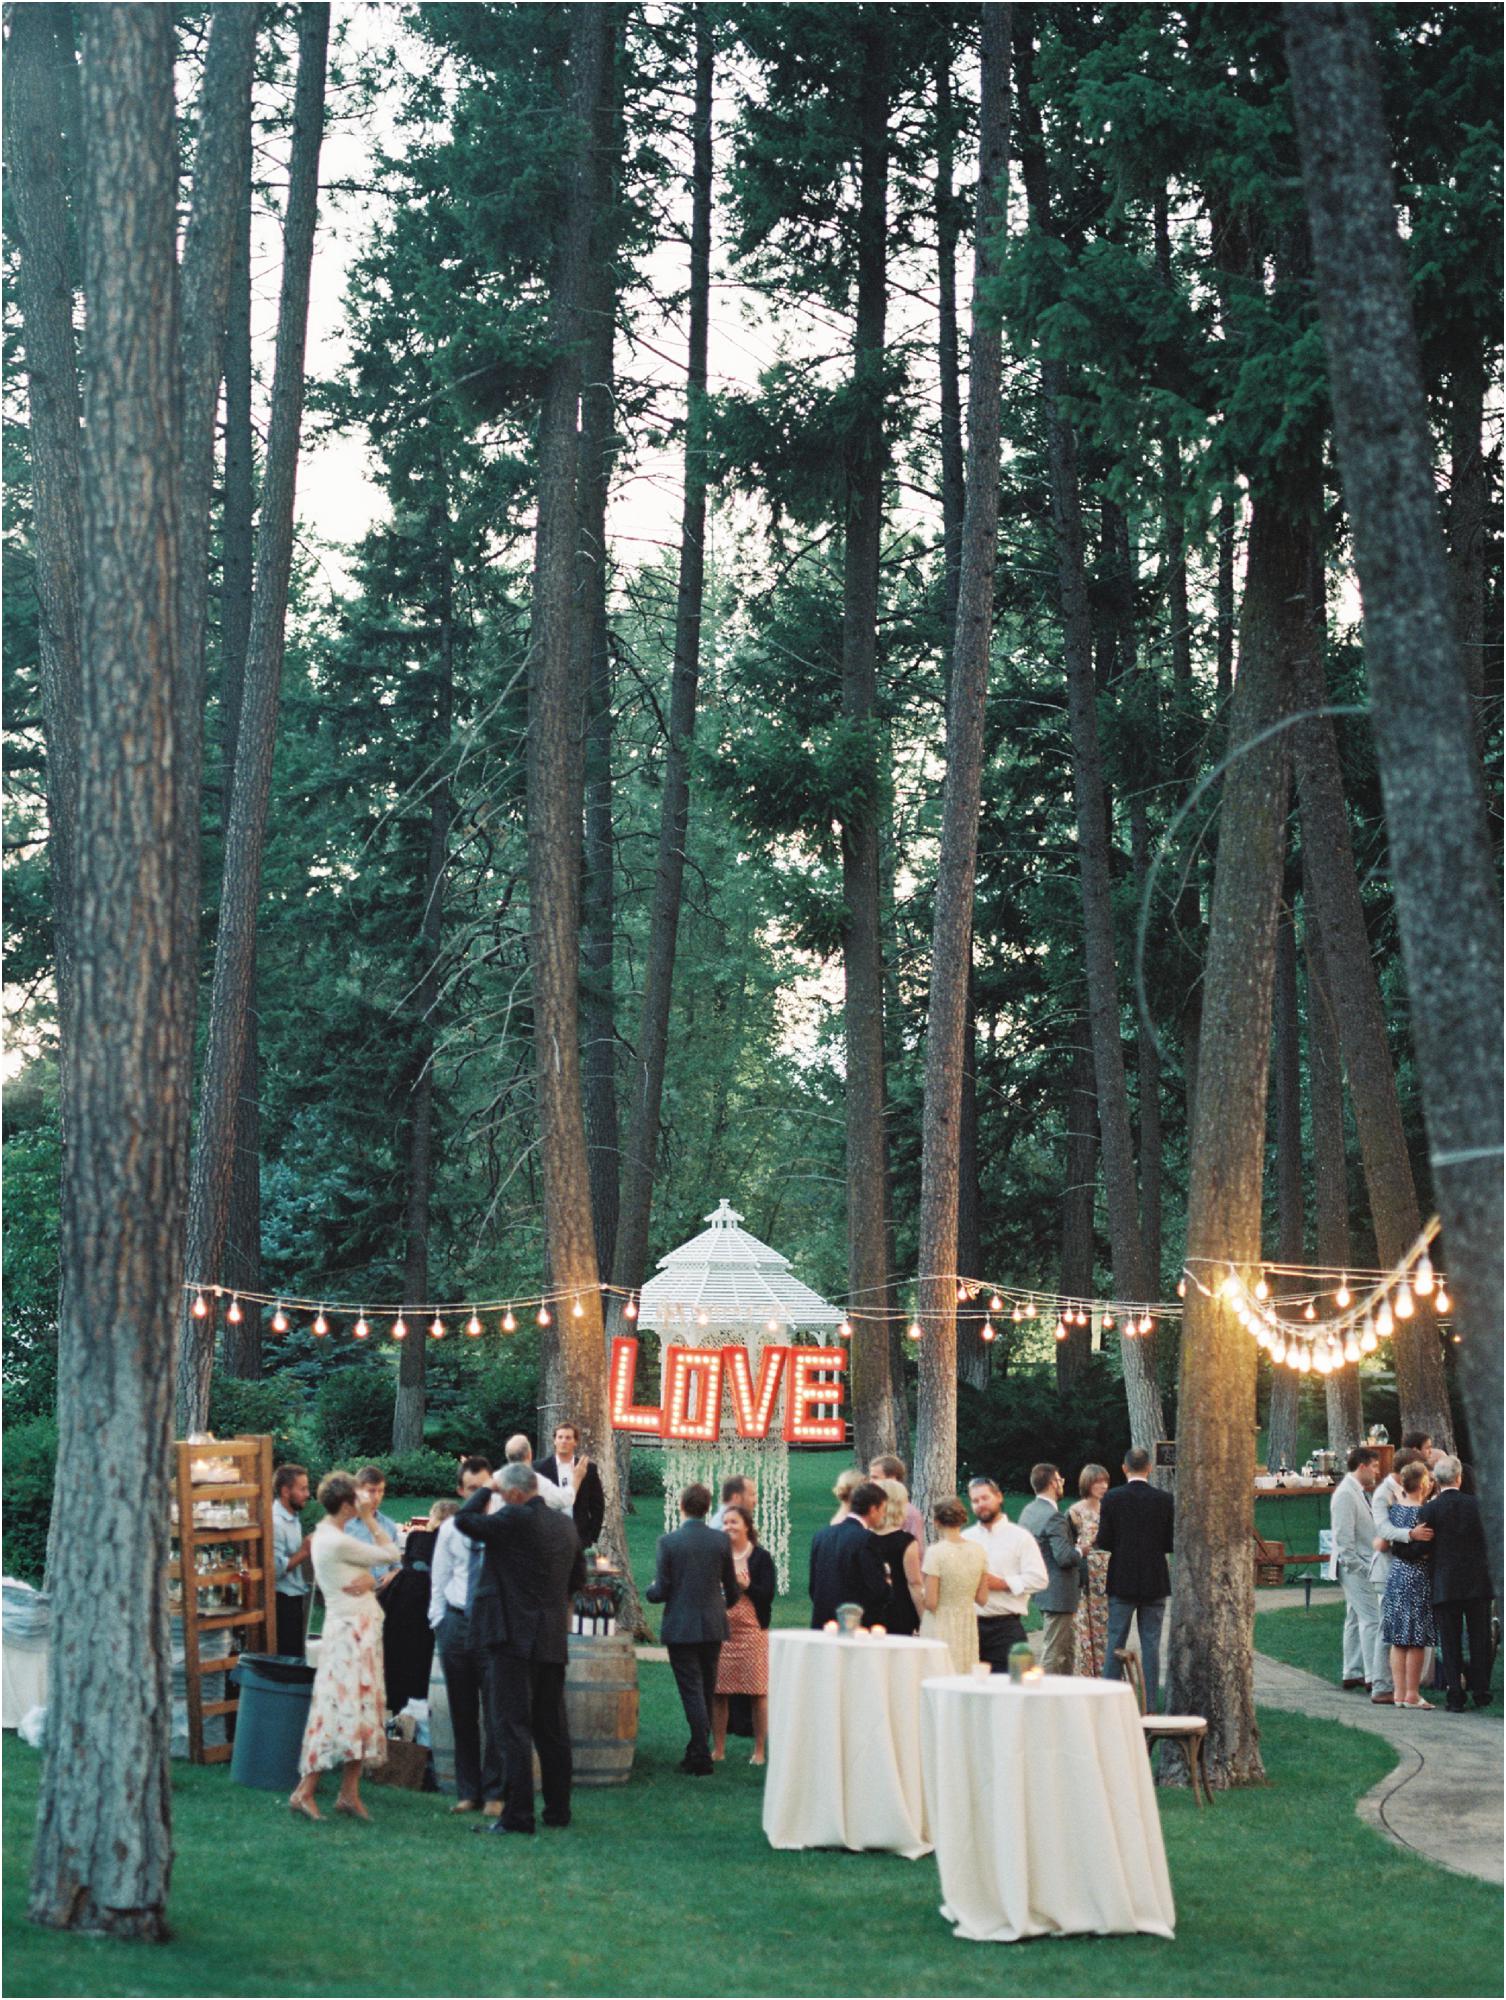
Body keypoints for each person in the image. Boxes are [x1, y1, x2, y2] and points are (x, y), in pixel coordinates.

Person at [454, 1461, 585, 1835]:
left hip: (511, 1636)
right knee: (552, 1728)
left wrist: (486, 1489)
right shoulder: (565, 1525)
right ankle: (559, 1810)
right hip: (550, 1637)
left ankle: (518, 1815)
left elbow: (463, 1520)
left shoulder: (512, 1519)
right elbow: (577, 1578)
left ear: (512, 1493)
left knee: (512, 1725)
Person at [288, 1472, 400, 1821]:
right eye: (358, 1499)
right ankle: (304, 1791)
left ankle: (349, 1793)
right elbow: (391, 1552)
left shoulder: (328, 1535)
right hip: (349, 1634)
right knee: (340, 1708)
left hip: (359, 1629)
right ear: (348, 1503)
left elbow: (375, 1567)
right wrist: (368, 1518)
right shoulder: (335, 1540)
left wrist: (368, 1578)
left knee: (363, 1708)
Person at [645, 1483, 742, 1776]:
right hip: (712, 1623)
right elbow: (732, 1588)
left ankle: (700, 1753)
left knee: (691, 1690)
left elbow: (662, 1589)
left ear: (681, 1506)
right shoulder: (720, 1542)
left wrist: (651, 1591)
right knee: (706, 1687)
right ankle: (697, 1747)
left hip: (682, 1625)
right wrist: (721, 1604)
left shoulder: (669, 1542)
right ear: (707, 1507)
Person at [427, 1456, 501, 1817]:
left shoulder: (502, 1525)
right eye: (472, 1489)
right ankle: (467, 1791)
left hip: (492, 1627)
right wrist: (440, 1623)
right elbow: (439, 1579)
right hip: (456, 1624)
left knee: (496, 1712)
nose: (480, 1495)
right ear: (461, 1491)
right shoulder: (451, 1529)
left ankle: (494, 1792)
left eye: (484, 1487)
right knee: (462, 1712)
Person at [1096, 1447, 1175, 1711]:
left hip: (1123, 1578)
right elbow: (1169, 1542)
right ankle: (1150, 1703)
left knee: (1115, 1639)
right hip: (1154, 1578)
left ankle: (1108, 1699)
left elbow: (1104, 1540)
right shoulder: (1164, 1499)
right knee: (1151, 1644)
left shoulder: (1113, 1498)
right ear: (1149, 1468)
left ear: (1124, 1468)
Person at [1416, 1455, 1494, 1712]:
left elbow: (1423, 1546)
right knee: (1479, 1638)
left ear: (1436, 1481)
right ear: (1459, 1478)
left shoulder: (1429, 1509)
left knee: (1449, 1641)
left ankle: (1455, 1694)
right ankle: (1481, 1690)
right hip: (1477, 1581)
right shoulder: (1478, 1506)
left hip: (1445, 1581)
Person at [963, 1477, 1049, 1673]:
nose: (980, 1504)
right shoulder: (966, 1538)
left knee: (1010, 1689)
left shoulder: (1020, 1537)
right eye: (975, 1501)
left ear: (999, 1497)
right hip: (970, 1628)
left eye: (985, 1498)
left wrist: (1002, 1583)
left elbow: (1039, 1578)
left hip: (1005, 1628)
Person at [712, 1505, 775, 1764]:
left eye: (734, 1522)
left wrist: (747, 1585)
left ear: (747, 1526)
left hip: (752, 1632)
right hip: (723, 1632)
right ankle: (718, 1749)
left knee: (757, 1692)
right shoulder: (718, 1556)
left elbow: (768, 1595)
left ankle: (759, 1750)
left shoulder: (760, 1557)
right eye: (725, 1522)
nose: (728, 1527)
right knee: (719, 1692)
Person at [1377, 1457, 1437, 1709]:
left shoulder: (1395, 1511)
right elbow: (1426, 1549)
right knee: (1416, 1638)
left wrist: (1401, 1547)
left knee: (1399, 1636)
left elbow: (1383, 1543)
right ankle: (1412, 1693)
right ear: (1422, 1483)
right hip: (1417, 1574)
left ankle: (1399, 1693)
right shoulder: (1423, 1514)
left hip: (1397, 1573)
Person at [1019, 1463, 1086, 1675]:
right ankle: (1043, 1696)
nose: (1062, 1483)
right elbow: (1064, 1557)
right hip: (1059, 1590)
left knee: (1066, 1649)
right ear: (1052, 1483)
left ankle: (1064, 1694)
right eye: (1060, 1479)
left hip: (1041, 1587)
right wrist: (1081, 1550)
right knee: (1054, 1651)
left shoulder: (1029, 1511)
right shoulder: (1053, 1516)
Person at [1368, 1446, 1422, 1704]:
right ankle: (1381, 1685)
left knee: (1397, 1629)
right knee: (1386, 1628)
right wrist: (1410, 1535)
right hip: (1387, 1570)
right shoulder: (1383, 1494)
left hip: (1401, 1568)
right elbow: (1383, 1529)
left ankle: (1396, 1684)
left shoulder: (1401, 1492)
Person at [1331, 1447, 1383, 1691]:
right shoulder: (1345, 1494)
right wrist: (1361, 1568)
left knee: (1354, 1618)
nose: (1377, 1471)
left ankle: (1351, 1671)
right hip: (1355, 1567)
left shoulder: (1359, 1492)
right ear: (1362, 1466)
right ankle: (1374, 1677)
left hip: (1362, 1562)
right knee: (1372, 1619)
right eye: (1374, 1466)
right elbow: (1343, 1540)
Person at [920, 1498, 990, 1673]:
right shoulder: (978, 1551)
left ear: (936, 1522)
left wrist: (920, 1591)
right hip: (966, 1621)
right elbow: (982, 1598)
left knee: (936, 1672)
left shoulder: (935, 1553)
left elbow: (931, 1602)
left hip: (939, 1622)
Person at [808, 1480, 891, 1628]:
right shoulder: (867, 1539)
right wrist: (888, 1587)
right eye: (883, 1510)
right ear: (873, 1509)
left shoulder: (822, 1535)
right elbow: (876, 1588)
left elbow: (813, 1586)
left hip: (823, 1622)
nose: (883, 1515)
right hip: (855, 1624)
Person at [1069, 1465, 1111, 1677]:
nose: (1103, 1486)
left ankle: (1107, 1671)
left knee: (1106, 1623)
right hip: (1087, 1571)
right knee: (1085, 1622)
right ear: (1087, 1483)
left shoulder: (1108, 1508)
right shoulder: (1076, 1511)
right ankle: (1086, 1670)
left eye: (1105, 1481)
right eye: (1098, 1482)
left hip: (1106, 1573)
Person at [536, 1422, 605, 1551]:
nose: (564, 1441)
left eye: (568, 1438)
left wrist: (591, 1536)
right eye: (560, 1437)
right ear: (554, 1441)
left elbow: (597, 1505)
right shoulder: (540, 1468)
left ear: (575, 1442)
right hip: (548, 1535)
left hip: (578, 1535)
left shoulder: (588, 1469)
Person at [871, 1479, 923, 1636]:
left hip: (869, 1609)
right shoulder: (905, 1542)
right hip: (898, 1610)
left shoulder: (862, 1538)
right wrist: (924, 1619)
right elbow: (914, 1584)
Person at [272, 1463, 313, 1658]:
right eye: (302, 1488)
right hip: (282, 1602)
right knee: (287, 1659)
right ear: (285, 1491)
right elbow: (274, 1569)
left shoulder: (292, 1516)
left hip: (295, 1598)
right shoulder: (276, 1523)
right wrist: (305, 1551)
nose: (307, 1494)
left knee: (297, 1654)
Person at [503, 1434, 576, 1515]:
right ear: (529, 1454)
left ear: (507, 1456)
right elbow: (564, 1500)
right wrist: (577, 1478)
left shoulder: (496, 1480)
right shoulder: (537, 1481)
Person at [869, 1457, 926, 1544]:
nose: (871, 1482)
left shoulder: (909, 1513)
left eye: (875, 1478)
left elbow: (917, 1550)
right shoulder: (871, 1508)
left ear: (892, 1479)